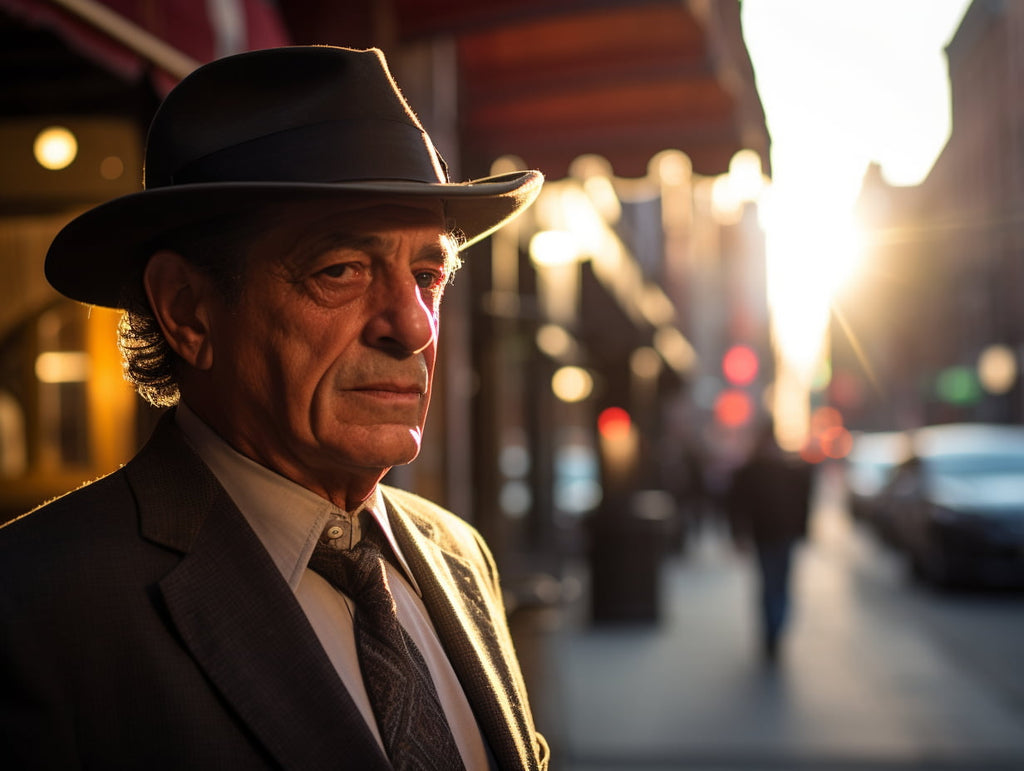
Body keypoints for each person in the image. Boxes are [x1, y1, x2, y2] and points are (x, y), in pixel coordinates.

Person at [0, 46, 548, 770]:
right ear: (188, 311)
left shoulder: (459, 554)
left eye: (427, 275)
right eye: (341, 270)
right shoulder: (33, 610)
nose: (412, 325)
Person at [727, 420, 813, 664]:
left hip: (769, 535)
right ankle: (774, 628)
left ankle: (773, 630)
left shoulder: (754, 470)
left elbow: (735, 506)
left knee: (770, 584)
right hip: (775, 535)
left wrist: (738, 535)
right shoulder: (783, 468)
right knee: (778, 583)